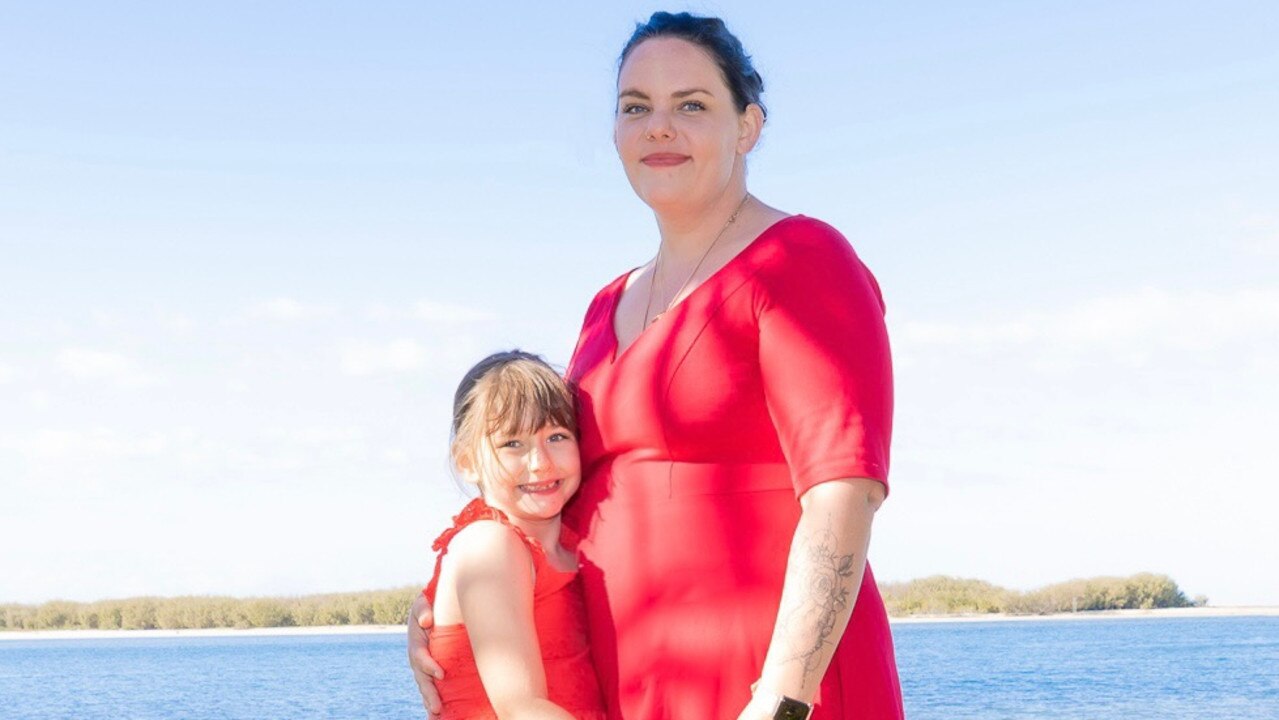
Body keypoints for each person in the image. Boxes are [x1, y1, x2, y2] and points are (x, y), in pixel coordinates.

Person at [411, 11, 904, 719]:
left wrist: (784, 696)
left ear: (747, 127)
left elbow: (842, 493)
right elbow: (549, 503)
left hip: (771, 687)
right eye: (635, 107)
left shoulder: (800, 261)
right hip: (632, 691)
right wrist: (448, 608)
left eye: (691, 105)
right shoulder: (604, 304)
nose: (658, 127)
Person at [420, 350, 606, 720]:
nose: (540, 462)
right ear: (467, 462)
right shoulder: (490, 546)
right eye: (512, 444)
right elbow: (522, 709)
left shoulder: (574, 545)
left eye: (556, 436)